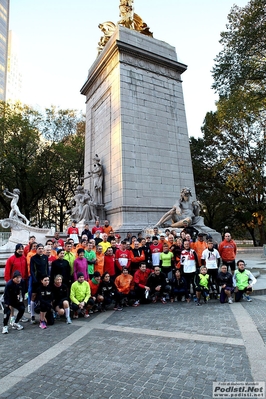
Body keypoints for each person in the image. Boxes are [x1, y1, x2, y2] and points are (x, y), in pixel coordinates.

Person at [30, 244, 49, 325]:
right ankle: (32, 315)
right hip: (36, 281)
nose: (41, 250)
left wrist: (47, 278)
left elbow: (47, 268)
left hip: (44, 281)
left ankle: (44, 315)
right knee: (33, 296)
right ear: (36, 249)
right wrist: (35, 280)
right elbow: (32, 270)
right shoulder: (33, 258)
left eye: (42, 248)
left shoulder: (45, 257)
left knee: (45, 296)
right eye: (39, 248)